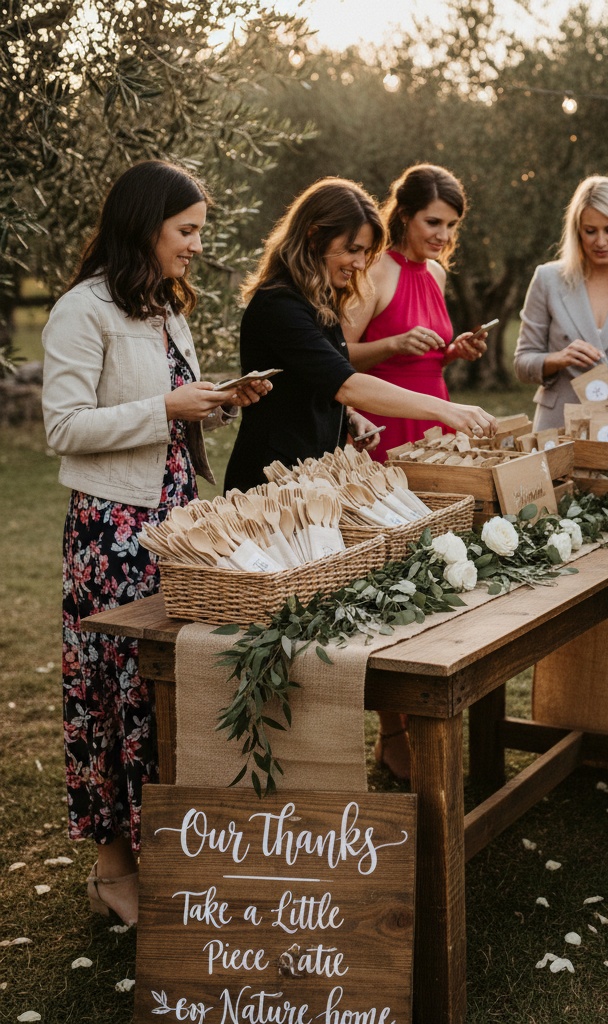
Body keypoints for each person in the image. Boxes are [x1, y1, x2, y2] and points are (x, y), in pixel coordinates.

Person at [41, 160, 270, 927]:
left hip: (172, 519)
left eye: (199, 230)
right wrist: (165, 404)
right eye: (187, 230)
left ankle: (170, 854)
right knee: (117, 697)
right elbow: (64, 427)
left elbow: (167, 416)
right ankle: (114, 867)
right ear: (146, 226)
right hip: (111, 532)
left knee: (170, 691)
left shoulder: (164, 307)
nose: (198, 245)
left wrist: (217, 402)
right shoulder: (83, 310)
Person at [223, 177, 496, 781]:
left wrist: (348, 419)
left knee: (315, 631)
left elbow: (319, 381)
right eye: (349, 249)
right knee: (280, 636)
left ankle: (313, 762)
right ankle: (269, 768)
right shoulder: (276, 303)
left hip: (314, 484)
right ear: (313, 237)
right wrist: (445, 410)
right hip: (271, 491)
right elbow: (342, 377)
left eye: (365, 252)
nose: (358, 264)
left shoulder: (312, 298)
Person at [346, 165, 489, 461]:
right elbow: (336, 358)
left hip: (436, 416)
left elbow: (422, 363)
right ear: (404, 215)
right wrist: (393, 344)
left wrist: (452, 352)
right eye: (433, 222)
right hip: (384, 421)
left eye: (452, 225)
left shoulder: (436, 273)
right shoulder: (375, 270)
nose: (444, 235)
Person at [513, 175, 608, 429]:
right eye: (590, 231)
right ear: (576, 230)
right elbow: (522, 364)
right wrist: (559, 358)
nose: (600, 242)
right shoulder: (548, 278)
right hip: (557, 425)